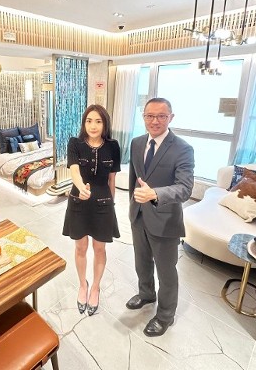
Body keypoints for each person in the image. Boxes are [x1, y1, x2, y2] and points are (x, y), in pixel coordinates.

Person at [126, 97, 194, 336]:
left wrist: (155, 194)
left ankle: (165, 315)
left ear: (171, 118)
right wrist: (133, 204)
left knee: (166, 271)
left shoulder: (182, 149)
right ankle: (146, 294)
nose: (155, 121)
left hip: (165, 221)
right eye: (149, 116)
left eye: (161, 116)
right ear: (143, 117)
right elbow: (134, 178)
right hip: (138, 215)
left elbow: (185, 188)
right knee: (141, 261)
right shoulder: (136, 143)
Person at [63, 104, 121, 316]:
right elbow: (74, 171)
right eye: (89, 121)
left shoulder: (113, 146)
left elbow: (112, 179)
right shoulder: (75, 143)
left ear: (105, 124)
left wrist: (111, 205)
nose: (93, 125)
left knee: (99, 249)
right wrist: (81, 188)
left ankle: (95, 287)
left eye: (98, 121)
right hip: (79, 201)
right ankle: (82, 285)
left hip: (103, 203)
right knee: (80, 247)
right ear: (84, 123)